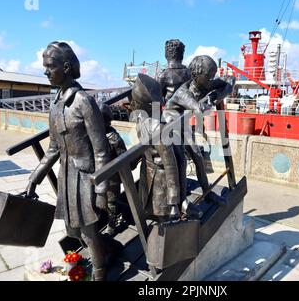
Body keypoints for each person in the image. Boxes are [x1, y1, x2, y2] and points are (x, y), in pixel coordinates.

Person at [25, 41, 119, 281]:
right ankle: (107, 247)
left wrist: (101, 188)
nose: (45, 71)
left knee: (87, 230)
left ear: (66, 67)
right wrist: (35, 177)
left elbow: (101, 150)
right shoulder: (55, 105)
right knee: (72, 229)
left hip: (86, 175)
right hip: (68, 175)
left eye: (50, 66)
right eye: (44, 66)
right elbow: (53, 148)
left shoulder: (83, 102)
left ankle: (99, 272)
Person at [165, 55, 234, 205]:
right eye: (209, 76)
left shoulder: (204, 84)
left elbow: (230, 80)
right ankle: (182, 202)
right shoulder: (184, 93)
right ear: (197, 75)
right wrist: (218, 95)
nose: (212, 79)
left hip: (183, 125)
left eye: (213, 75)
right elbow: (199, 108)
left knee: (198, 158)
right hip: (171, 127)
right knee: (181, 163)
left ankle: (207, 193)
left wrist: (220, 91)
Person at [130, 73, 182, 222]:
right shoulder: (141, 120)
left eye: (135, 102)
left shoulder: (158, 128)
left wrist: (173, 200)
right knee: (148, 210)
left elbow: (170, 163)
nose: (132, 105)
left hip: (160, 178)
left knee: (161, 216)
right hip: (147, 171)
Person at [98, 103, 127, 236]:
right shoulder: (94, 135)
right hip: (98, 175)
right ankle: (128, 210)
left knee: (111, 202)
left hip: (112, 177)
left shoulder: (113, 138)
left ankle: (111, 226)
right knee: (102, 200)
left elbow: (124, 157)